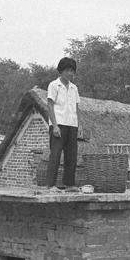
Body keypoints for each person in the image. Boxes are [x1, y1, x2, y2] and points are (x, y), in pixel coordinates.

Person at [44, 57, 81, 189]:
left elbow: (76, 107)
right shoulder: (54, 85)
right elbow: (50, 105)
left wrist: (79, 124)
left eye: (72, 71)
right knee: (55, 154)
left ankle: (69, 184)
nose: (70, 73)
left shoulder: (74, 88)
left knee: (71, 155)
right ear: (61, 71)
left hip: (72, 124)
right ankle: (50, 184)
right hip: (58, 123)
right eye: (67, 70)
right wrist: (54, 125)